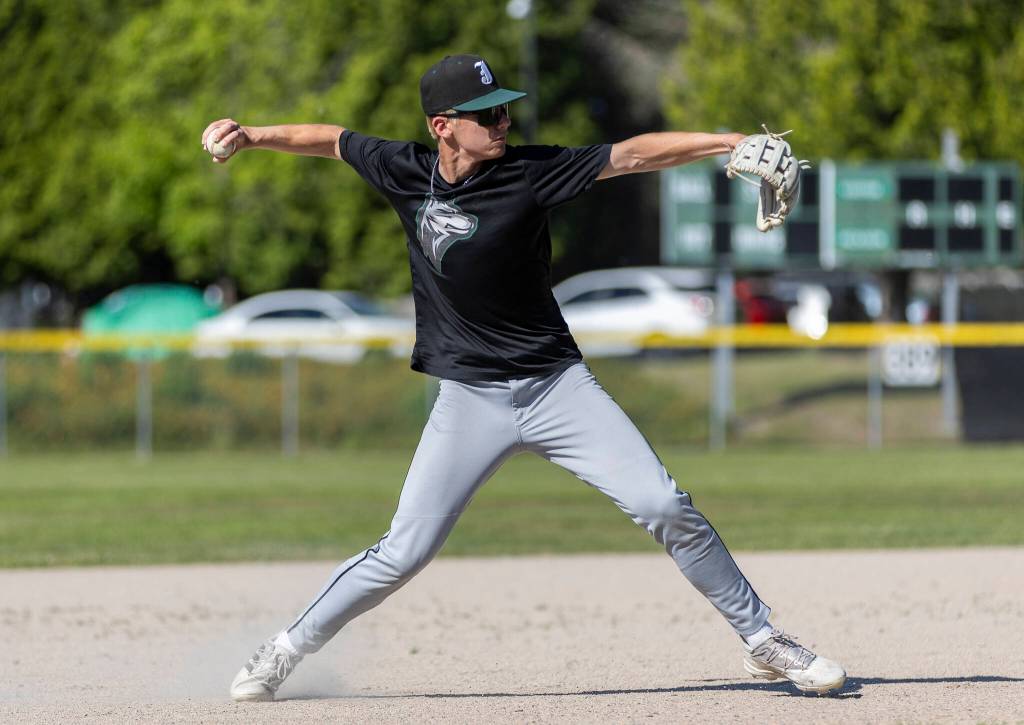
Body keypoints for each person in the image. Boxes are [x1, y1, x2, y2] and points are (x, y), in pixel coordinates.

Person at [203, 53, 846, 701]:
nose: (501, 121)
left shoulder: (531, 174)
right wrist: (254, 135)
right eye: (485, 114)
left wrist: (727, 142)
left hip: (556, 389)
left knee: (664, 504)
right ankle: (284, 649)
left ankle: (762, 639)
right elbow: (334, 141)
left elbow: (631, 155)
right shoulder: (405, 171)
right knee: (404, 550)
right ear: (442, 126)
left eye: (504, 107)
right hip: (468, 399)